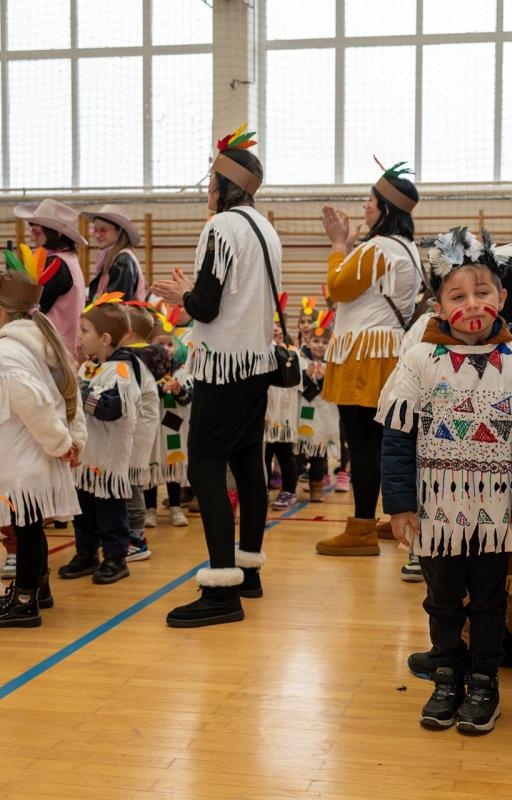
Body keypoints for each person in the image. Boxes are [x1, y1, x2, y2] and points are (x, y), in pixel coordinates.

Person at [378, 227, 512, 735]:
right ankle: (447, 676)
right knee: (442, 599)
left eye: (482, 292)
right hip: (436, 513)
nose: (472, 303)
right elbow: (397, 437)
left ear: (502, 298)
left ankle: (484, 683)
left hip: (494, 515)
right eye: (458, 295)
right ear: (438, 303)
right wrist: (400, 504)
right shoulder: (418, 359)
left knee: (490, 599)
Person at [152, 123, 281, 627]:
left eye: (210, 183)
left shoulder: (219, 228)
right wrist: (193, 292)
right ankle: (248, 571)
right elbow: (229, 299)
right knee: (248, 460)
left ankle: (221, 588)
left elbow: (204, 307)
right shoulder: (264, 228)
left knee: (204, 465)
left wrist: (177, 297)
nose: (207, 192)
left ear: (226, 187)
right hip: (255, 363)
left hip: (223, 364)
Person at [315, 159, 421, 557]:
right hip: (391, 350)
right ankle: (393, 514)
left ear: (386, 209)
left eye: (370, 201)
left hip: (364, 352)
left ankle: (359, 527)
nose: (364, 206)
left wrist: (339, 245)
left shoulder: (377, 248)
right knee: (384, 441)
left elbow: (337, 288)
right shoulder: (408, 248)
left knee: (361, 442)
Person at [0, 272, 85, 626]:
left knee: (26, 528)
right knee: (30, 527)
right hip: (38, 454)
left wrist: (61, 443)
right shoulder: (40, 342)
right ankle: (38, 588)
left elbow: (30, 402)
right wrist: (71, 441)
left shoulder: (7, 351)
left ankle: (24, 601)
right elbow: (72, 394)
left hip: (24, 456)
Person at [59, 299, 140, 585]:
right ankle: (86, 554)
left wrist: (81, 392)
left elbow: (110, 408)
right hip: (87, 456)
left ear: (105, 339)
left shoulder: (121, 370)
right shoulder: (91, 368)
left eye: (84, 330)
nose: (78, 336)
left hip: (107, 458)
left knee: (110, 511)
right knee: (84, 511)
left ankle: (116, 558)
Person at [117, 305, 171, 562]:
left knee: (131, 485)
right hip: (136, 430)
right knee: (129, 484)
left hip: (135, 431)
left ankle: (136, 540)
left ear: (127, 332)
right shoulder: (136, 357)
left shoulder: (133, 360)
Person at [12, 199, 87, 358]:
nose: (32, 238)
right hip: (60, 344)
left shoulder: (56, 264)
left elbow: (35, 302)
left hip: (55, 347)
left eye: (37, 232)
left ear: (57, 233)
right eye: (31, 231)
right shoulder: (68, 257)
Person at [144, 320, 193, 529]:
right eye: (160, 343)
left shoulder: (183, 372)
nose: (166, 349)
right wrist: (159, 391)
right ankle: (150, 509)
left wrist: (178, 391)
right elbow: (142, 398)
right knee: (151, 467)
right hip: (153, 428)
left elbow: (188, 399)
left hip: (174, 427)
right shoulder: (146, 374)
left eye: (170, 344)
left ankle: (175, 506)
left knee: (174, 463)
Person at [296, 312, 338, 503]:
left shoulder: (333, 364)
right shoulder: (300, 360)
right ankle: (291, 485)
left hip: (323, 413)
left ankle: (316, 486)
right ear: (308, 341)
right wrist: (307, 377)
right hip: (303, 411)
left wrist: (322, 380)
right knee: (298, 448)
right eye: (316, 341)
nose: (320, 345)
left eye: (324, 342)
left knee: (318, 451)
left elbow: (334, 390)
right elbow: (298, 387)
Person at [265, 321, 304, 511]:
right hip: (264, 415)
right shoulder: (260, 351)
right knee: (263, 455)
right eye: (273, 326)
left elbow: (299, 383)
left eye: (279, 327)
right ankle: (260, 490)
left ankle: (289, 490)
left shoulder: (293, 353)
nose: (276, 330)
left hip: (284, 416)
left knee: (285, 454)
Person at [84, 205, 146, 302]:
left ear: (120, 231)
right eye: (95, 230)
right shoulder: (113, 258)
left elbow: (116, 305)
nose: (97, 235)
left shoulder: (122, 262)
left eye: (103, 230)